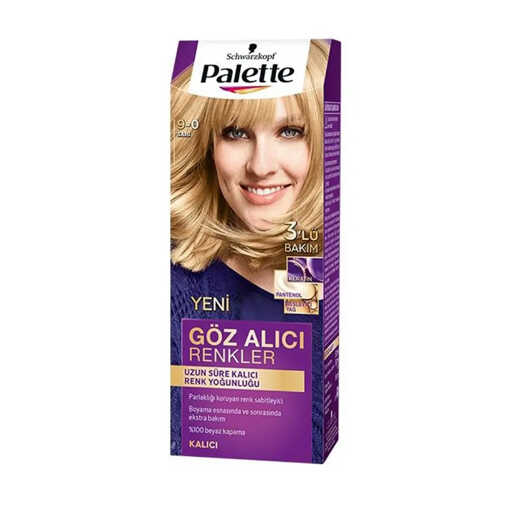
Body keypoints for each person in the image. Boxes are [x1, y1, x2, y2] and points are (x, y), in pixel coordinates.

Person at [170, 40, 330, 462]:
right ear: (209, 146)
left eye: (290, 132)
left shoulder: (319, 273)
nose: (260, 166)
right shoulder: (175, 286)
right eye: (236, 132)